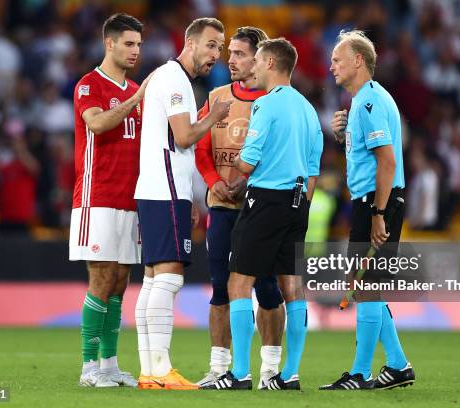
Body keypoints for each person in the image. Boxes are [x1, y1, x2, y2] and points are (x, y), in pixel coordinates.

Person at [205, 38, 323, 391]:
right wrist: (301, 203)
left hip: (266, 200)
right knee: (292, 286)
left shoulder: (267, 106)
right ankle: (289, 374)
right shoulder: (308, 108)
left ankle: (238, 373)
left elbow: (247, 161)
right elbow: (315, 166)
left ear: (271, 63)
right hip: (299, 201)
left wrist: (234, 174)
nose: (251, 67)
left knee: (238, 282)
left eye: (256, 61)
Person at [133, 17, 231, 390]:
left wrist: (189, 195)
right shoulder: (175, 80)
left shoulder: (168, 78)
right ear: (190, 43)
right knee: (170, 279)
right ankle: (162, 369)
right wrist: (212, 116)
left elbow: (174, 144)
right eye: (210, 45)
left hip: (159, 188)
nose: (215, 55)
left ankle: (150, 372)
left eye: (219, 48)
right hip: (164, 189)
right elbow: (185, 135)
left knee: (153, 281)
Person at [319, 30, 415, 391]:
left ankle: (359, 374)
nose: (331, 66)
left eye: (337, 60)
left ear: (358, 60)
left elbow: (387, 163)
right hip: (374, 200)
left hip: (378, 201)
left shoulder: (370, 102)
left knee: (367, 286)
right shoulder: (366, 101)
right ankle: (398, 365)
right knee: (363, 286)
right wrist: (346, 137)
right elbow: (373, 156)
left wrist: (378, 213)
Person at [194, 26, 286, 390]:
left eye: (239, 54)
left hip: (259, 207)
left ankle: (270, 370)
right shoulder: (217, 97)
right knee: (219, 286)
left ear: (260, 58)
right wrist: (214, 181)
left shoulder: (275, 99)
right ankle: (219, 367)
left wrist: (246, 182)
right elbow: (201, 147)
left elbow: (279, 154)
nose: (229, 60)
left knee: (266, 288)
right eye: (229, 53)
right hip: (221, 206)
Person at [69, 13, 148, 388]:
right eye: (129, 43)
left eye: (138, 44)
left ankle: (109, 365)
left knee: (119, 282)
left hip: (130, 199)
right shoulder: (90, 84)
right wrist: (134, 100)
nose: (135, 51)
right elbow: (98, 124)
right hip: (96, 196)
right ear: (110, 43)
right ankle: (88, 368)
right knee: (101, 279)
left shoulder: (135, 90)